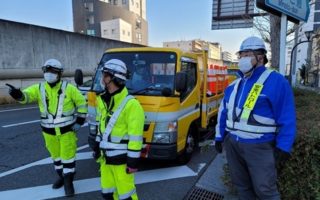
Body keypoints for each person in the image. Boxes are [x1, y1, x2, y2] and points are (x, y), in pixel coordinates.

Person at [214, 36, 296, 200]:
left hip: (260, 145)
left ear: (260, 56)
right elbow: (223, 112)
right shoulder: (234, 85)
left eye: (247, 54)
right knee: (242, 187)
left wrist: (284, 146)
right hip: (233, 144)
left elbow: (287, 117)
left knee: (265, 191)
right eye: (241, 55)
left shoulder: (276, 81)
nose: (243, 58)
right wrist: (219, 136)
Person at [6, 59, 87, 197]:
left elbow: (82, 104)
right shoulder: (39, 88)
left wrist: (79, 120)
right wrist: (18, 95)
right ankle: (62, 177)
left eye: (53, 71)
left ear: (59, 74)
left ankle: (69, 183)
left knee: (68, 158)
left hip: (67, 132)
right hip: (49, 133)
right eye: (47, 71)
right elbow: (26, 97)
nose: (49, 74)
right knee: (56, 158)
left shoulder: (69, 88)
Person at [88, 59, 144, 200]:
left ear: (111, 78)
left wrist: (132, 162)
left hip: (122, 162)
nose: (101, 78)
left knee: (127, 196)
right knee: (108, 194)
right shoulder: (102, 100)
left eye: (104, 75)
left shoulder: (132, 105)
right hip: (105, 159)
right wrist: (97, 145)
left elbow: (135, 138)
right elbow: (103, 127)